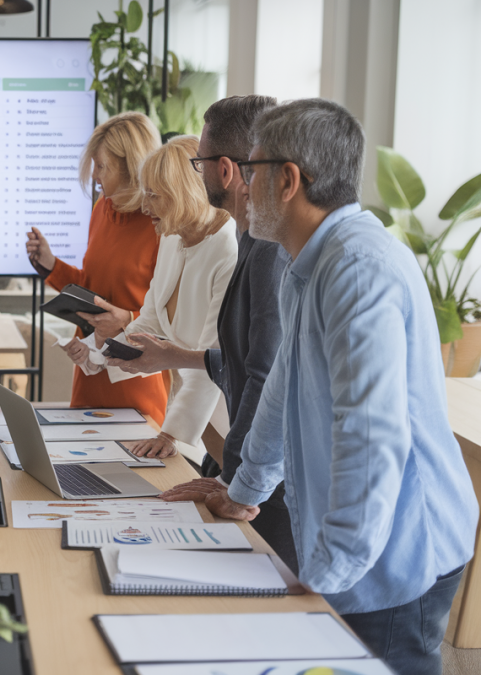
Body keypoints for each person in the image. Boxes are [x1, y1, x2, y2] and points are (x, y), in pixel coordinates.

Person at [203, 98, 477, 674]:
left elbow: (370, 441)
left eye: (250, 172)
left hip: (397, 558)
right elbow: (280, 389)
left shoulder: (356, 269)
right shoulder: (306, 261)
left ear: (288, 180)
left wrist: (322, 581)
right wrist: (245, 488)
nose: (242, 188)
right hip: (362, 549)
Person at [106, 96, 298, 574]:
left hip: (270, 475)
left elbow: (261, 373)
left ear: (227, 170)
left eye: (201, 162)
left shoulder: (261, 248)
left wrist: (236, 480)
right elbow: (229, 357)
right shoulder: (250, 236)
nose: (144, 203)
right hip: (242, 458)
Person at [68, 136, 236, 460]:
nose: (145, 208)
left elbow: (213, 359)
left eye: (153, 196)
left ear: (181, 193)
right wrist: (96, 353)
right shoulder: (174, 238)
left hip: (233, 422)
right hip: (204, 427)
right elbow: (151, 321)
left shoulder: (228, 250)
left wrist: (170, 434)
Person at [24, 112, 167, 425]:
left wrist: (125, 320)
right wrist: (51, 265)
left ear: (132, 167)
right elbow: (93, 289)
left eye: (102, 166)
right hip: (89, 373)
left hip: (136, 386)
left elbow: (174, 319)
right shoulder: (103, 208)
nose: (93, 175)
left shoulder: (161, 225)